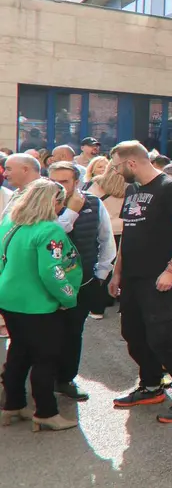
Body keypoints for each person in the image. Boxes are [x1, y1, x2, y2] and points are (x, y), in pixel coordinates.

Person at [109, 141, 172, 423]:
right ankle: (152, 385)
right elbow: (128, 231)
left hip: (159, 276)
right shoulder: (132, 189)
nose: (115, 171)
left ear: (131, 163)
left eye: (116, 165)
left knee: (165, 337)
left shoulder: (169, 188)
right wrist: (117, 271)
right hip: (132, 276)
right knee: (133, 333)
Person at [0, 179, 83, 431]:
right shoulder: (49, 230)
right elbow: (52, 271)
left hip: (10, 300)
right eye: (61, 202)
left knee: (18, 352)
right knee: (45, 358)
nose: (61, 206)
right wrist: (68, 298)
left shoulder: (10, 224)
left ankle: (12, 405)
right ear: (53, 202)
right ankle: (46, 412)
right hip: (38, 304)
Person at [46, 162, 115, 400]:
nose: (58, 186)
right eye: (54, 180)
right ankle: (42, 380)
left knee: (73, 332)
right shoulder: (41, 205)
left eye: (64, 181)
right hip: (46, 283)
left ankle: (65, 379)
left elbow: (106, 240)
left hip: (83, 282)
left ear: (77, 182)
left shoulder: (95, 203)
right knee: (45, 333)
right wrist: (70, 212)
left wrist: (101, 275)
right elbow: (48, 236)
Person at [83, 159, 127, 319]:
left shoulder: (95, 184)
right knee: (121, 266)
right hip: (123, 230)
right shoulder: (131, 187)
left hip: (100, 229)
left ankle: (97, 308)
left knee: (102, 266)